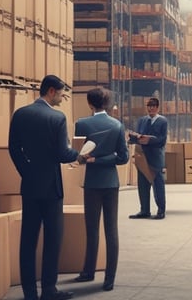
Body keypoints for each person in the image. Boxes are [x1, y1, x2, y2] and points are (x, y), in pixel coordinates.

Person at [8, 75, 79, 300]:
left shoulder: (20, 114)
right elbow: (62, 154)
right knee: (52, 239)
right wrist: (80, 155)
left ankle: (29, 293)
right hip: (51, 188)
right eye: (60, 93)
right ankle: (49, 289)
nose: (61, 98)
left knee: (28, 240)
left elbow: (13, 148)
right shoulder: (57, 118)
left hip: (29, 186)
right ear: (50, 91)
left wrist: (26, 172)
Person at [73, 88, 129, 292]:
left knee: (92, 229)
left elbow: (77, 155)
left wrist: (93, 159)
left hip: (92, 183)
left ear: (90, 103)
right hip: (111, 183)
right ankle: (109, 279)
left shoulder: (82, 124)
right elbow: (123, 158)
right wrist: (106, 159)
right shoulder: (117, 125)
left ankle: (88, 271)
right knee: (111, 231)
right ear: (106, 104)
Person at [128, 97, 168, 219]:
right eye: (149, 106)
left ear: (157, 108)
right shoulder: (142, 120)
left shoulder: (162, 121)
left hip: (155, 158)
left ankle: (161, 210)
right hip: (142, 156)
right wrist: (134, 137)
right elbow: (138, 135)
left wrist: (149, 140)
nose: (151, 109)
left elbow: (162, 140)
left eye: (153, 106)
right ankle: (144, 210)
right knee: (142, 184)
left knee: (158, 185)